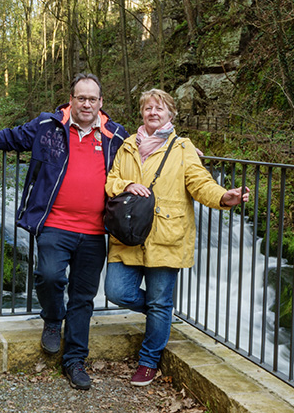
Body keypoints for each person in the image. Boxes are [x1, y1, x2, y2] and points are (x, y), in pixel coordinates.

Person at [0, 73, 128, 390]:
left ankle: (75, 362)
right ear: (71, 99)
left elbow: (146, 152)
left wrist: (183, 151)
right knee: (49, 276)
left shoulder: (115, 135)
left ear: (101, 102)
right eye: (80, 98)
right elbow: (8, 137)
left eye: (92, 99)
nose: (86, 104)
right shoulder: (48, 126)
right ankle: (53, 317)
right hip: (54, 223)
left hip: (96, 231)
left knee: (83, 298)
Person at [103, 88, 248, 387]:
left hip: (165, 235)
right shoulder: (128, 145)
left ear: (170, 114)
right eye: (148, 108)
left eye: (159, 108)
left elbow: (200, 183)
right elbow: (111, 181)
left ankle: (148, 361)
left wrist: (224, 197)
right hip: (128, 234)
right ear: (142, 113)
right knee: (117, 291)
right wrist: (127, 184)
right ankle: (163, 313)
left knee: (159, 300)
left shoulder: (183, 149)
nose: (153, 113)